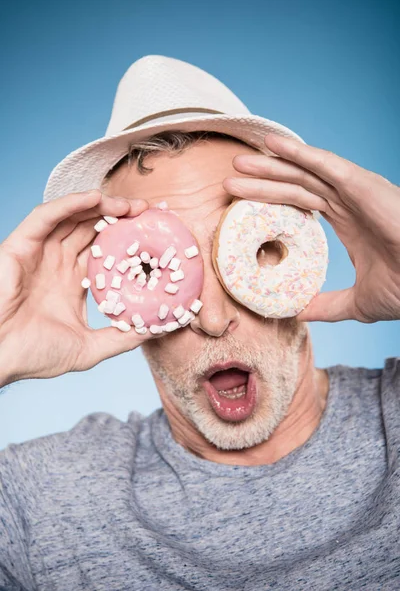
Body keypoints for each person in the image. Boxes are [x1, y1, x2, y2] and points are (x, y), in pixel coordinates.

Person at [0, 55, 399, 591]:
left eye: (241, 254)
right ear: (110, 292)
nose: (213, 319)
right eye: (159, 269)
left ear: (295, 242)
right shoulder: (39, 499)